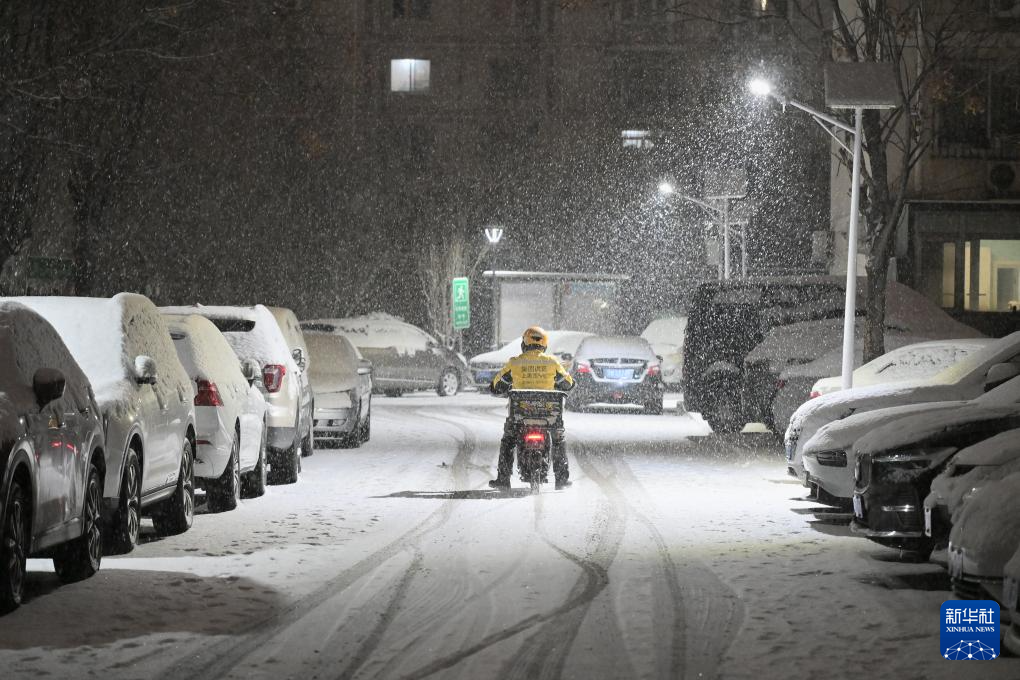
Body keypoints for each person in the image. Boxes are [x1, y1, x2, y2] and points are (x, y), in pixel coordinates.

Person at [488, 326, 575, 490]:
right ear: (544, 345)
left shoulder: (515, 362)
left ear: (524, 343)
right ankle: (561, 479)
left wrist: (499, 388)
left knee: (508, 440)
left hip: (520, 414)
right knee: (558, 440)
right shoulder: (552, 362)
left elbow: (496, 385)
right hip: (549, 415)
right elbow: (568, 384)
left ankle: (503, 479)